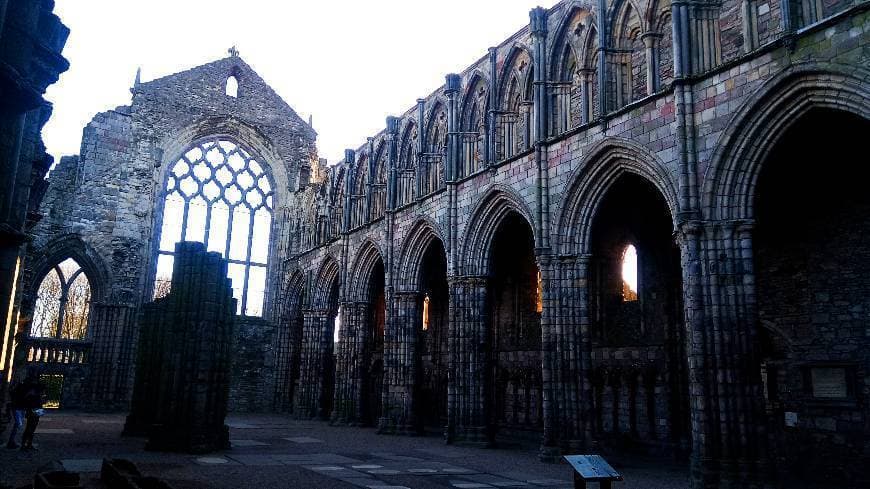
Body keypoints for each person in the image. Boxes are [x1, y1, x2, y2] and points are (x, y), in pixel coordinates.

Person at [18, 369, 45, 451]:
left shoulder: (34, 386)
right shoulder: (31, 386)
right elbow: (28, 396)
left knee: (32, 427)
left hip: (37, 407)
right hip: (33, 408)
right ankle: (24, 445)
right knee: (30, 427)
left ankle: (28, 444)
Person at [5, 379, 26, 449]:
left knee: (18, 425)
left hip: (18, 407)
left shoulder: (16, 389)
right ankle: (11, 441)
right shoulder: (19, 389)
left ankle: (12, 441)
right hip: (18, 407)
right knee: (18, 424)